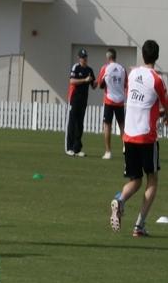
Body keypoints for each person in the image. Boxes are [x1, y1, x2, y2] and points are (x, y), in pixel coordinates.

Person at [109, 40, 168, 237]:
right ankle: (139, 225)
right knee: (152, 179)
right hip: (146, 137)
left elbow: (137, 99)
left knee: (135, 180)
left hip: (129, 136)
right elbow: (164, 105)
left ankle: (120, 200)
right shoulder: (157, 80)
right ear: (157, 56)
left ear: (143, 55)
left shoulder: (132, 73)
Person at [97, 47, 126, 160]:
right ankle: (125, 148)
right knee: (122, 125)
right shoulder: (122, 69)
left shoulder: (105, 68)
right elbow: (125, 84)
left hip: (109, 100)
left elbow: (100, 84)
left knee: (107, 126)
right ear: (115, 56)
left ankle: (108, 152)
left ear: (108, 57)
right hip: (120, 101)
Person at [66, 48, 96, 157]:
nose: (84, 59)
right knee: (72, 123)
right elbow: (72, 80)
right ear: (79, 58)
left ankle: (77, 149)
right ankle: (69, 148)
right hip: (74, 99)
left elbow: (93, 85)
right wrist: (84, 80)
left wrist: (99, 81)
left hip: (83, 101)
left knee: (80, 125)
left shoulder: (89, 70)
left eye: (86, 57)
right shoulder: (76, 67)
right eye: (83, 57)